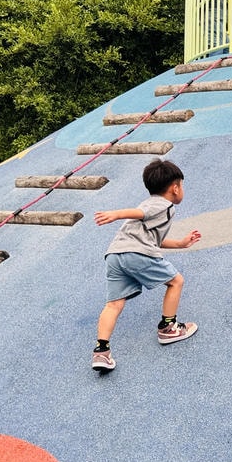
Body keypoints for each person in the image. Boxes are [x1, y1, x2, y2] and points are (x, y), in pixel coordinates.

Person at [91, 159, 202, 371]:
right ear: (175, 188)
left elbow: (152, 239)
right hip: (136, 253)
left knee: (113, 304)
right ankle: (168, 328)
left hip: (115, 254)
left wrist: (180, 243)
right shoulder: (162, 205)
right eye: (181, 185)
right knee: (176, 281)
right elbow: (140, 214)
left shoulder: (150, 205)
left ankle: (101, 352)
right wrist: (116, 214)